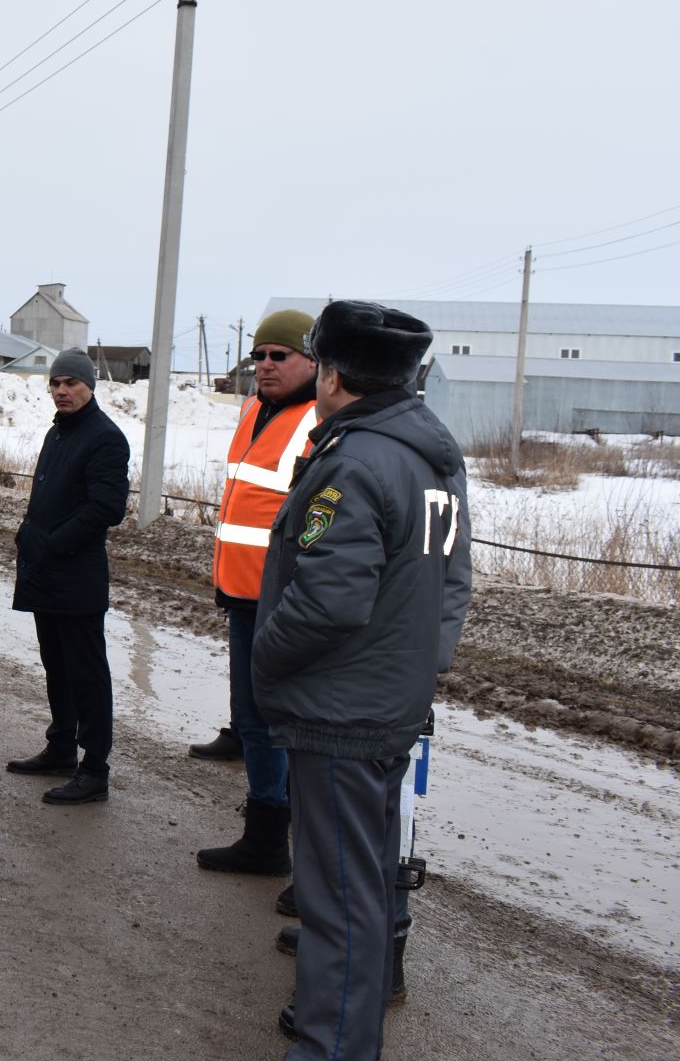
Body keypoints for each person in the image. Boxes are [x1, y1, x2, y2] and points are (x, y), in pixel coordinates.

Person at [252, 300, 471, 1059]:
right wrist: (419, 667)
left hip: (340, 711)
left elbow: (326, 600)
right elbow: (452, 585)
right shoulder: (430, 456)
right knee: (369, 885)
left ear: (334, 373)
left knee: (337, 897)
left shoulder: (356, 460)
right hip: (390, 701)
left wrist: (265, 659)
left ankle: (332, 1043)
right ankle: (348, 1024)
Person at [195, 309, 320, 876]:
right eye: (260, 355)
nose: (266, 366)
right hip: (243, 591)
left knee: (279, 724)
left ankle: (277, 836)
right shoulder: (254, 410)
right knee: (253, 719)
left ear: (313, 362)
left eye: (281, 356)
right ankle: (267, 833)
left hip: (283, 601)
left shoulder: (317, 421)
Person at [4, 348, 131, 805]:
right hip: (44, 571)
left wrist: (52, 543)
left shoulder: (105, 438)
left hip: (75, 574)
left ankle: (94, 767)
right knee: (56, 664)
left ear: (89, 386)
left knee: (86, 672)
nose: (61, 390)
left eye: (71, 383)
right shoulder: (59, 433)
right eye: (55, 383)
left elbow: (106, 509)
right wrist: (29, 533)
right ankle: (60, 747)